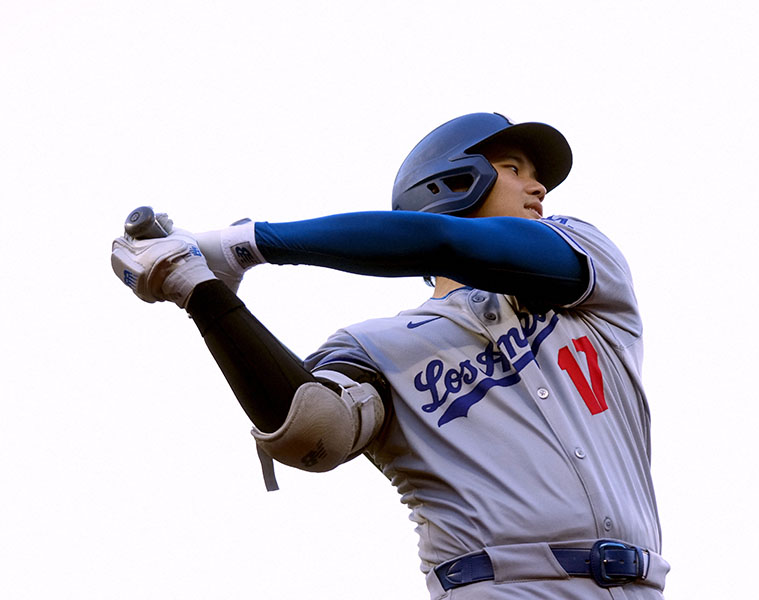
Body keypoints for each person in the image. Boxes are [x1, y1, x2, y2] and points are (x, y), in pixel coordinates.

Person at [110, 112, 669, 599]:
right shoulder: (379, 346)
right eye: (514, 167)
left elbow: (447, 243)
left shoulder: (588, 262)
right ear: (451, 182)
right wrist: (198, 287)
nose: (539, 186)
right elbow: (311, 430)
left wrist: (250, 242)